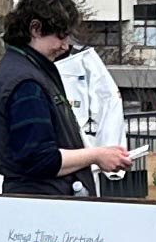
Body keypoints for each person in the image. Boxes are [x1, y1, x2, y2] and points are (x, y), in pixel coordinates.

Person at [0, 0, 132, 198]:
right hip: (43, 207)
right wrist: (97, 155)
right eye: (61, 36)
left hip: (37, 202)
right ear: (35, 29)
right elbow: (41, 159)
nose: (65, 46)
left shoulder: (24, 70)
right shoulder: (27, 84)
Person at [56, 13, 132, 199]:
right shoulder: (26, 70)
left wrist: (112, 150)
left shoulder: (84, 60)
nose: (64, 44)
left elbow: (109, 102)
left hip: (76, 169)